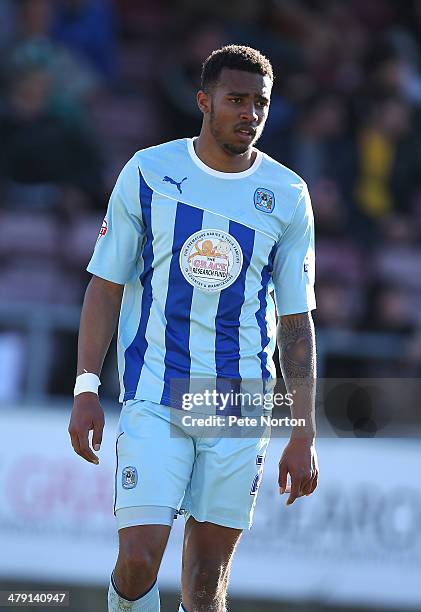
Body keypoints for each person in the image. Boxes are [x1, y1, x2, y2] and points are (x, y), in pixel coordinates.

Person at [68, 45, 319, 612]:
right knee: (137, 560)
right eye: (236, 100)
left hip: (237, 401)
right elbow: (105, 286)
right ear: (203, 101)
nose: (249, 114)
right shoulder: (150, 173)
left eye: (261, 103)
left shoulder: (287, 194)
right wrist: (86, 388)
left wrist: (302, 428)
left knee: (206, 585)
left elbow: (296, 320)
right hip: (156, 390)